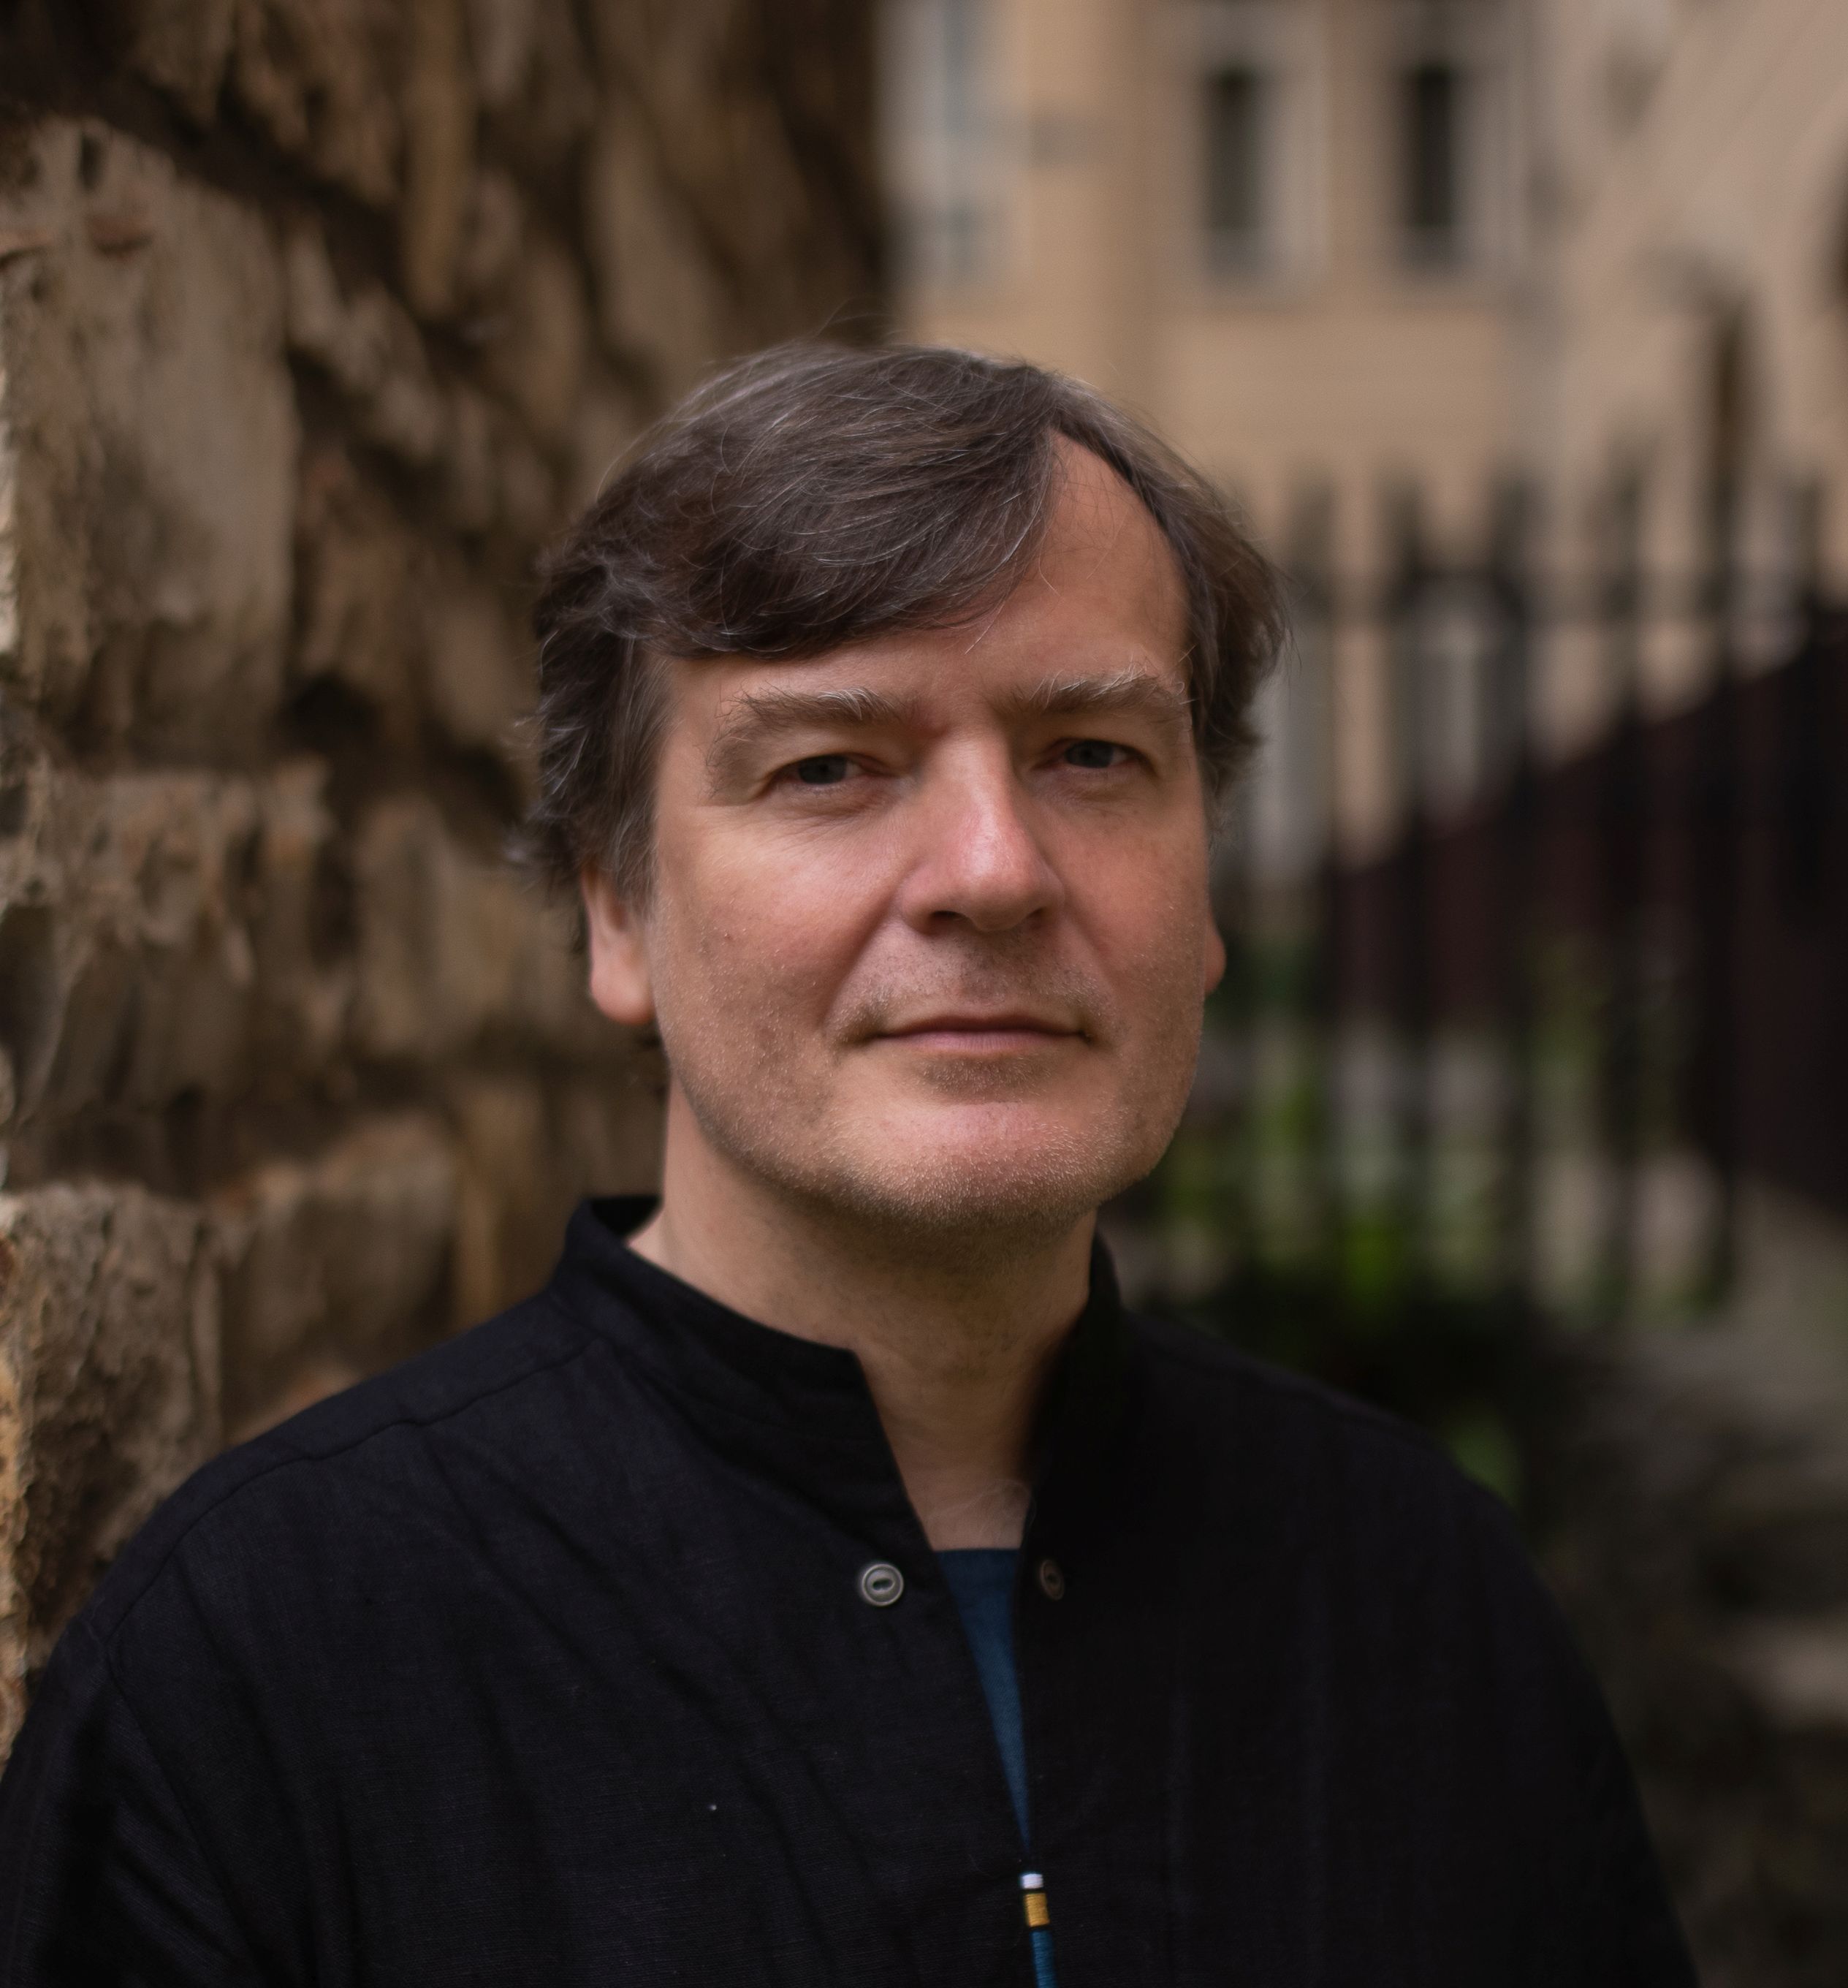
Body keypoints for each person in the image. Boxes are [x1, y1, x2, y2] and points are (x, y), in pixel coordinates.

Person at [0, 344, 1695, 1987]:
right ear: (616, 907)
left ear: (1204, 895)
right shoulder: (262, 1663)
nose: (992, 871)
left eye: (1090, 754)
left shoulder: (1417, 1598)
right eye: (829, 768)